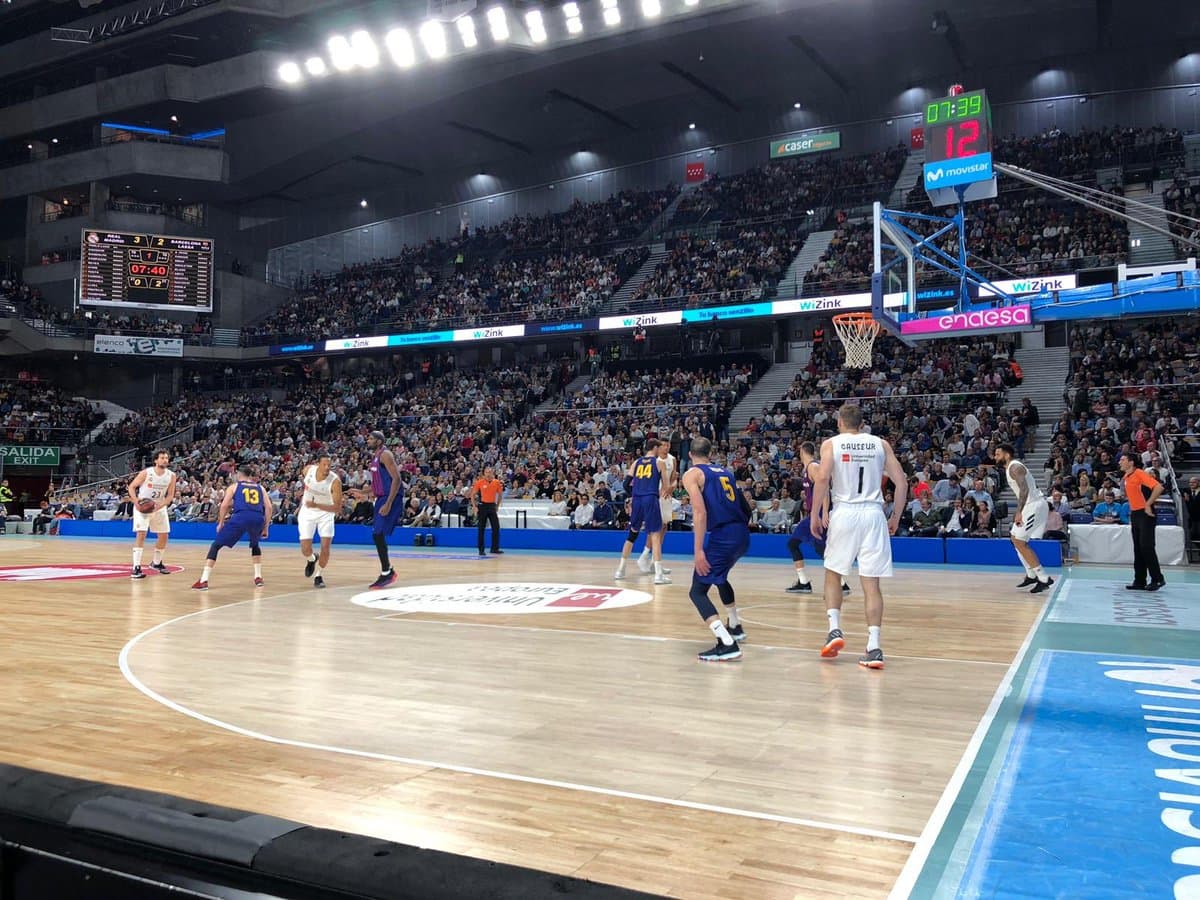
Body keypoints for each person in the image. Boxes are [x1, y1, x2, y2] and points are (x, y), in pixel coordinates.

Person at [811, 404, 907, 670]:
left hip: (846, 512)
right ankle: (874, 647)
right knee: (871, 584)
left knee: (833, 573)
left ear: (840, 421)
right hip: (874, 514)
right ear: (862, 423)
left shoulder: (832, 444)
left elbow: (821, 479)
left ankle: (834, 630)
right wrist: (896, 516)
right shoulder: (880, 444)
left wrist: (815, 514)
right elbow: (902, 482)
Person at [680, 435, 751, 662]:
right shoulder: (725, 472)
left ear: (690, 454)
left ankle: (726, 642)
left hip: (724, 535)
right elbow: (746, 507)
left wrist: (698, 550)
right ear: (710, 453)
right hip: (741, 532)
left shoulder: (692, 474)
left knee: (697, 591)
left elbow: (700, 513)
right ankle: (736, 625)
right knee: (720, 578)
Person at [191, 466, 272, 591]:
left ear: (239, 474)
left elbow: (224, 505)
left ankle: (204, 580)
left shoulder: (234, 487)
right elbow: (269, 507)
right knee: (255, 545)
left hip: (241, 517)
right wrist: (266, 527)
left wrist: (221, 522)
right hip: (257, 518)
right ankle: (258, 577)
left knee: (216, 545)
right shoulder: (260, 488)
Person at [785, 442, 849, 595]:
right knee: (804, 545)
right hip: (815, 513)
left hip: (819, 513)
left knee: (814, 548)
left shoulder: (813, 466)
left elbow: (824, 486)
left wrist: (825, 512)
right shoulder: (811, 467)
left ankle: (838, 583)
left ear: (802, 451)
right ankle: (805, 581)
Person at [993, 443, 1054, 594]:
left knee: (1020, 542)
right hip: (1031, 505)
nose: (995, 457)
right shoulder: (1010, 468)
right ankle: (1031, 574)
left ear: (1007, 455)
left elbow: (1025, 489)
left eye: (998, 454)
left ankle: (1044, 578)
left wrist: (1019, 511)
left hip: (1033, 505)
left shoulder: (1015, 467)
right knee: (1014, 538)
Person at [351, 430, 403, 589]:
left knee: (377, 533)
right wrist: (361, 492)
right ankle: (387, 571)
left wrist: (388, 503)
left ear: (379, 441)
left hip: (390, 497)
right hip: (381, 496)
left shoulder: (385, 455)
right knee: (377, 533)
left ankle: (387, 572)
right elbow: (377, 485)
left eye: (371, 438)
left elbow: (397, 479)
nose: (368, 440)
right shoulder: (375, 457)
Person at [615, 439, 670, 585]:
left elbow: (626, 483)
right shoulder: (659, 463)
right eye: (659, 447)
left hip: (637, 499)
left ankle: (620, 570)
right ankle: (658, 575)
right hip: (650, 499)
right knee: (656, 535)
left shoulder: (636, 462)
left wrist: (636, 493)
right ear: (655, 448)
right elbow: (666, 485)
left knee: (632, 534)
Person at [1119, 452, 1165, 591]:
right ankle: (1139, 580)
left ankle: (1158, 579)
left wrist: (1147, 504)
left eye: (1122, 459)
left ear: (1131, 462)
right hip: (1135, 514)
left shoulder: (1139, 473)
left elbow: (1159, 487)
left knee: (1146, 546)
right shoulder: (1126, 476)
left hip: (1146, 513)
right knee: (1138, 548)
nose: (1120, 462)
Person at [127, 449, 177, 579]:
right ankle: (136, 567)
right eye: (162, 458)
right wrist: (136, 501)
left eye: (166, 458)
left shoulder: (171, 475)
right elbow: (131, 487)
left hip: (159, 507)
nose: (165, 460)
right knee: (141, 534)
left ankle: (156, 563)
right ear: (156, 460)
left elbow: (170, 495)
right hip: (143, 506)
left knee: (164, 536)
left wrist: (161, 505)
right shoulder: (146, 473)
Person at [298, 453, 342, 589]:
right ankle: (311, 559)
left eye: (329, 465)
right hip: (307, 512)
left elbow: (337, 508)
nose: (327, 467)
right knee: (305, 548)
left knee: (325, 546)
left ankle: (319, 575)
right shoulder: (308, 470)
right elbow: (304, 478)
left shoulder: (335, 481)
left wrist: (317, 505)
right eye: (324, 464)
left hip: (326, 513)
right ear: (318, 464)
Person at [636, 439, 677, 574]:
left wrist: (672, 487)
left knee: (664, 526)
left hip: (667, 496)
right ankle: (645, 555)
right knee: (655, 528)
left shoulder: (672, 459)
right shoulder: (655, 461)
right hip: (655, 495)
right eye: (663, 445)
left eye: (668, 445)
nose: (666, 447)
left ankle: (655, 562)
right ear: (658, 448)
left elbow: (674, 477)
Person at [469, 466, 504, 557]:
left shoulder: (497, 482)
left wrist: (497, 505)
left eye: (490, 472)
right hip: (482, 506)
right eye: (487, 472)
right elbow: (472, 495)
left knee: (496, 527)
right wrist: (474, 507)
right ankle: (481, 550)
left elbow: (500, 495)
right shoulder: (479, 482)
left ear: (493, 473)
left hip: (492, 506)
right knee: (481, 529)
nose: (488, 474)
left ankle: (494, 548)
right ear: (484, 473)